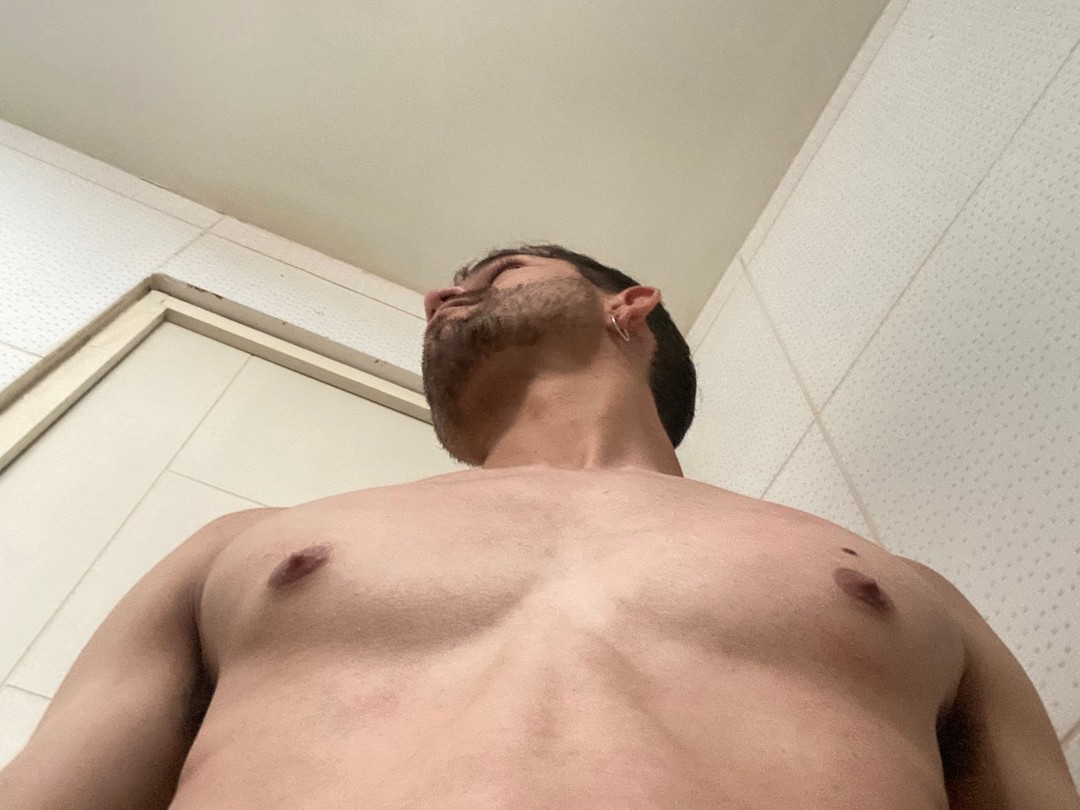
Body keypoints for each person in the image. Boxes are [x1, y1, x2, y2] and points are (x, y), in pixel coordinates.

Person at [1, 244, 1076, 809]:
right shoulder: (238, 547)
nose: (438, 296)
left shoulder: (903, 586)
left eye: (495, 272)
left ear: (629, 306)